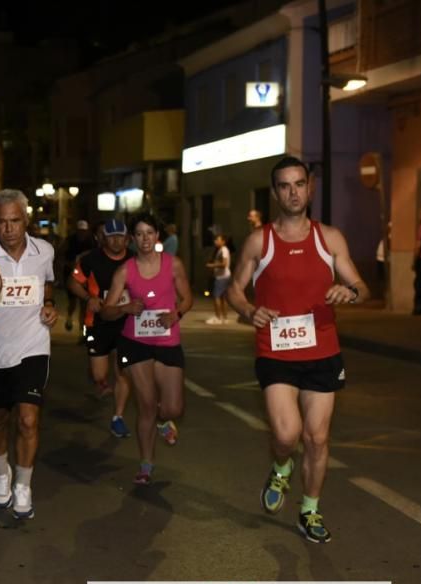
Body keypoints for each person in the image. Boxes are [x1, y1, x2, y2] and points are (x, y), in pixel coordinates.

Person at [226, 156, 369, 543]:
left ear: (310, 188)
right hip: (275, 351)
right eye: (285, 186)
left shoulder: (330, 238)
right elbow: (235, 288)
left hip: (323, 349)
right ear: (275, 193)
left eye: (299, 184)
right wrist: (248, 310)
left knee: (318, 438)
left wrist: (350, 291)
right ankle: (280, 466)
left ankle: (310, 510)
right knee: (287, 435)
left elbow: (361, 285)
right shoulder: (261, 240)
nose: (293, 192)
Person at [0, 189, 57, 519]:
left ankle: (23, 484)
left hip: (33, 344)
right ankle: (0, 475)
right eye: (2, 222)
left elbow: (47, 284)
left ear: (26, 220)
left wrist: (49, 304)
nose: (9, 229)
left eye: (15, 221)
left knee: (27, 418)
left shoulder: (45, 251)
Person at [101, 214, 192, 485]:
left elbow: (188, 298)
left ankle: (165, 421)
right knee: (147, 405)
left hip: (167, 341)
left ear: (157, 236)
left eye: (149, 233)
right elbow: (106, 311)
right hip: (135, 342)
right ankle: (146, 464)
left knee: (173, 407)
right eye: (139, 234)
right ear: (132, 239)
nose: (145, 239)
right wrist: (124, 309)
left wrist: (176, 314)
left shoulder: (173, 265)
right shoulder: (125, 271)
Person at [67, 218, 134, 438]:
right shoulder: (91, 259)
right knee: (99, 374)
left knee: (123, 370)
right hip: (97, 323)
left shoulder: (135, 259)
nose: (116, 241)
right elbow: (73, 282)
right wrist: (89, 298)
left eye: (120, 236)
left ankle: (118, 417)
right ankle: (99, 381)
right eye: (111, 236)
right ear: (104, 238)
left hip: (126, 323)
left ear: (127, 238)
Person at [57, 219, 94, 332]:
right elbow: (60, 255)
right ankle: (69, 318)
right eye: (80, 231)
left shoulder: (91, 241)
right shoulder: (70, 241)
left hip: (86, 275)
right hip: (71, 274)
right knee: (72, 301)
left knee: (84, 303)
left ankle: (82, 332)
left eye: (84, 231)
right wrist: (67, 266)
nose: (82, 233)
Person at [205, 234, 231, 324]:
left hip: (221, 277)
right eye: (215, 240)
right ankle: (225, 318)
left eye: (218, 240)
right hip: (225, 276)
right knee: (223, 298)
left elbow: (224, 264)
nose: (215, 241)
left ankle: (218, 318)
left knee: (216, 296)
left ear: (223, 241)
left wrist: (211, 265)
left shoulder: (223, 250)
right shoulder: (221, 250)